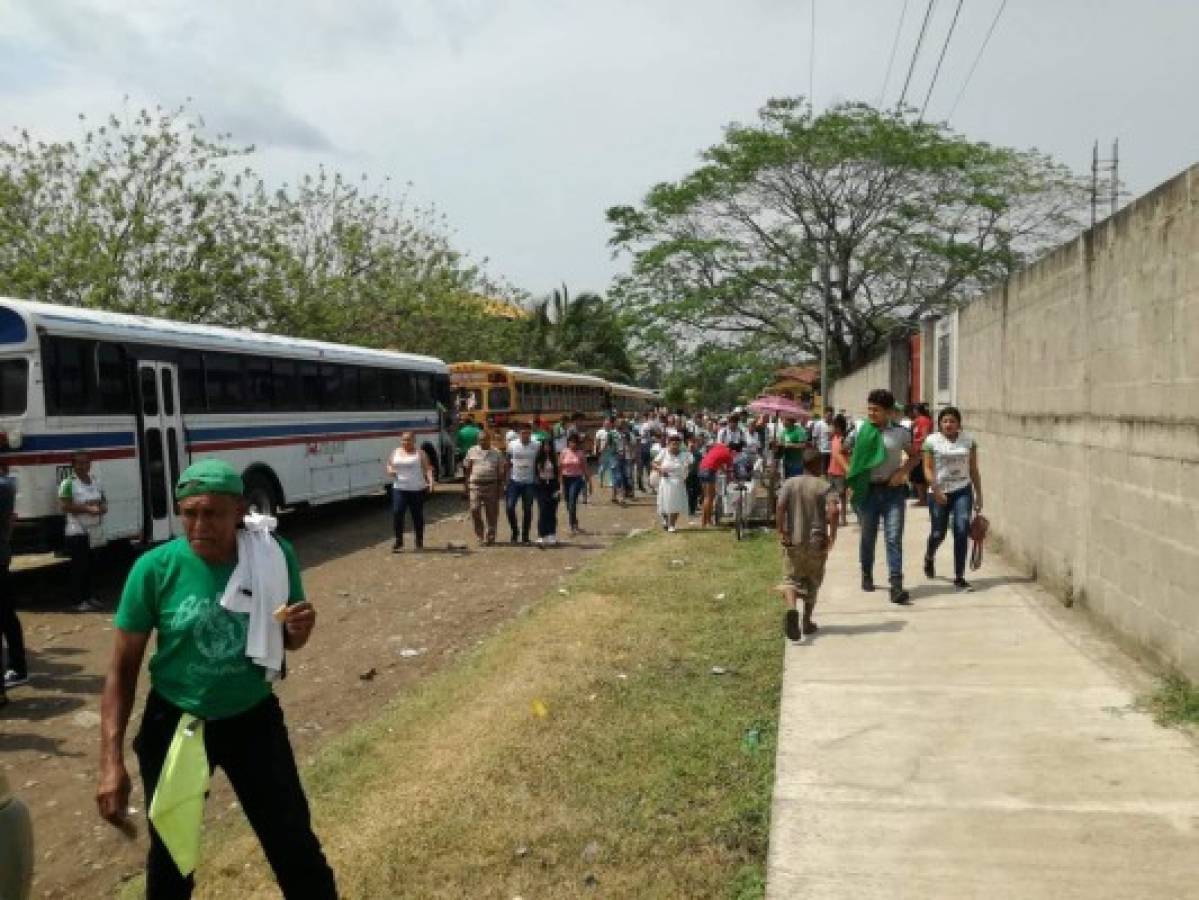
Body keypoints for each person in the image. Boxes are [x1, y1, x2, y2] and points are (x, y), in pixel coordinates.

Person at [96, 459, 337, 899]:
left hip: (253, 720)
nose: (199, 524)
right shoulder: (154, 569)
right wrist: (110, 761)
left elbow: (284, 638)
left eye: (213, 513)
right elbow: (121, 672)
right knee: (171, 860)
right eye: (189, 513)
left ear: (241, 511)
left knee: (294, 846)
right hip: (176, 726)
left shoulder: (272, 556)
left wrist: (299, 632)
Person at [846, 389, 922, 605]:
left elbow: (916, 455)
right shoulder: (860, 429)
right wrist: (852, 476)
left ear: (889, 412)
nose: (871, 413)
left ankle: (896, 585)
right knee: (868, 537)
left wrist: (902, 472)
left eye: (876, 409)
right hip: (867, 492)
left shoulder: (900, 433)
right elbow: (841, 450)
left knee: (893, 537)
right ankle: (867, 573)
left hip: (893, 492)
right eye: (869, 408)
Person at [776, 448, 840, 641]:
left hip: (793, 541)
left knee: (790, 579)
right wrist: (832, 535)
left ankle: (791, 609)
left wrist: (782, 531)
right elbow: (834, 512)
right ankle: (806, 621)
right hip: (816, 542)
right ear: (818, 464)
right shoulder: (824, 486)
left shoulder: (789, 483)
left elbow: (780, 507)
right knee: (813, 581)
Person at [922, 406, 984, 591]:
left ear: (959, 424)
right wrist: (936, 489)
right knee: (938, 533)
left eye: (952, 421)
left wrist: (979, 494)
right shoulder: (931, 441)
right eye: (945, 421)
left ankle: (959, 576)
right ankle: (929, 556)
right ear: (940, 424)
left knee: (961, 528)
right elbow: (927, 468)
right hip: (938, 491)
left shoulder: (969, 441)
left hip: (962, 490)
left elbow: (973, 469)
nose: (948, 424)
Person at [58, 451, 107, 612]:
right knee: (79, 568)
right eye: (79, 463)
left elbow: (104, 501)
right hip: (77, 531)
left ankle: (89, 598)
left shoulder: (95, 481)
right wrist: (87, 508)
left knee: (92, 567)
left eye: (86, 462)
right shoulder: (68, 483)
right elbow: (65, 506)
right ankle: (77, 600)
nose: (83, 466)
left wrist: (101, 508)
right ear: (73, 465)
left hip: (94, 531)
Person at [0, 462, 27, 698]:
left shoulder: (3, 487)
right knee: (7, 615)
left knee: (6, 616)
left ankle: (17, 667)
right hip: (2, 555)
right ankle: (17, 666)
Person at [386, 432, 435, 552]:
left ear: (414, 441)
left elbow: (428, 468)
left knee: (417, 515)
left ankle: (419, 540)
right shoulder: (396, 452)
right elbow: (389, 464)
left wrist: (431, 482)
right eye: (403, 440)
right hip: (399, 488)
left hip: (416, 489)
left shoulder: (420, 453)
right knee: (397, 512)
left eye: (408, 440)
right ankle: (399, 540)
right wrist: (390, 470)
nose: (405, 442)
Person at [462, 429, 506, 546]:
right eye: (480, 440)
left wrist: (501, 486)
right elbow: (467, 469)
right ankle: (480, 535)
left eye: (484, 440)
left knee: (492, 513)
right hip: (475, 485)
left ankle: (490, 537)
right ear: (477, 440)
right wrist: (465, 485)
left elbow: (501, 471)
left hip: (492, 485)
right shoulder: (471, 451)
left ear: (489, 440)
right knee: (474, 509)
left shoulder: (496, 452)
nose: (482, 442)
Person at [506, 424, 540, 544]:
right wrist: (506, 480)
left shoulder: (536, 445)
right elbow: (508, 462)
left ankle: (525, 536)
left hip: (529, 482)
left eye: (527, 433)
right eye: (522, 433)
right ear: (519, 433)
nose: (525, 435)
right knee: (510, 507)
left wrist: (538, 477)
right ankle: (515, 532)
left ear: (530, 433)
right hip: (514, 481)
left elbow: (539, 462)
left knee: (527, 509)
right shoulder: (512, 445)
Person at [652, 433, 691, 532]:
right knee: (665, 504)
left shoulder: (684, 454)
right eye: (672, 444)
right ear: (669, 444)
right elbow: (654, 463)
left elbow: (689, 465)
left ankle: (672, 525)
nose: (675, 446)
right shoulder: (664, 452)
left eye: (677, 444)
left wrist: (686, 471)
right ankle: (666, 520)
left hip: (678, 482)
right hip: (666, 482)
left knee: (676, 504)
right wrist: (660, 470)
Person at [558, 432, 591, 536]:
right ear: (568, 443)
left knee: (572, 501)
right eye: (571, 442)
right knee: (568, 504)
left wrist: (589, 482)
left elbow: (585, 468)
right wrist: (560, 483)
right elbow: (560, 467)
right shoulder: (564, 452)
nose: (573, 444)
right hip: (565, 479)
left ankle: (572, 525)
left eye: (575, 442)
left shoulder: (581, 453)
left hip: (576, 479)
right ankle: (575, 521)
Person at [698, 439, 735, 527]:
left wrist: (724, 471)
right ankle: (703, 523)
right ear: (733, 451)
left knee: (709, 496)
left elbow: (718, 461)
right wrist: (731, 480)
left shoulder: (719, 446)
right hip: (709, 471)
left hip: (701, 468)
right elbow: (730, 474)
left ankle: (709, 520)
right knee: (709, 497)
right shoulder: (729, 456)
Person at [534, 440, 561, 546]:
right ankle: (541, 535)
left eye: (549, 445)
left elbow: (559, 474)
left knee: (552, 510)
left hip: (553, 485)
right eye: (545, 445)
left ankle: (552, 534)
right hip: (541, 486)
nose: (547, 447)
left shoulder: (555, 458)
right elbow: (535, 473)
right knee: (543, 510)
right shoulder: (538, 458)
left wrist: (559, 489)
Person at [909, 403, 934, 507]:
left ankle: (923, 499)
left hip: (921, 451)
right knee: (917, 477)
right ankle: (922, 498)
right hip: (917, 450)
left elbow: (925, 436)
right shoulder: (918, 420)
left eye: (914, 409)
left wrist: (913, 440)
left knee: (920, 477)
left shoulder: (923, 421)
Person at [827, 414, 850, 526]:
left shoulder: (845, 439)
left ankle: (843, 518)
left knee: (842, 495)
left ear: (840, 427)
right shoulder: (834, 438)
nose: (833, 429)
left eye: (835, 427)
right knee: (831, 495)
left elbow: (849, 453)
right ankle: (832, 516)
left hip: (841, 471)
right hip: (831, 470)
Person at [779, 415, 809, 479]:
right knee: (788, 483)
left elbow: (803, 445)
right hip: (787, 463)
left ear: (790, 421)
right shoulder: (783, 432)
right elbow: (781, 444)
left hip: (797, 463)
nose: (782, 422)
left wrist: (791, 445)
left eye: (784, 420)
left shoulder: (799, 431)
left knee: (796, 484)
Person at [684, 434, 703, 518]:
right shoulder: (684, 454)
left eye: (693, 444)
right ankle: (689, 510)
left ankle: (693, 509)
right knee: (689, 493)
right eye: (690, 444)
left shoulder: (698, 454)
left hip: (696, 476)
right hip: (687, 476)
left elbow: (701, 464)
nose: (691, 446)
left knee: (695, 493)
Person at [812, 409, 834, 475]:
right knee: (823, 470)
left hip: (831, 451)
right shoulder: (819, 424)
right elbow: (814, 437)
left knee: (830, 470)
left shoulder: (832, 424)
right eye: (828, 415)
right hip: (822, 451)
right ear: (824, 414)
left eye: (831, 415)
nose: (830, 417)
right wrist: (815, 449)